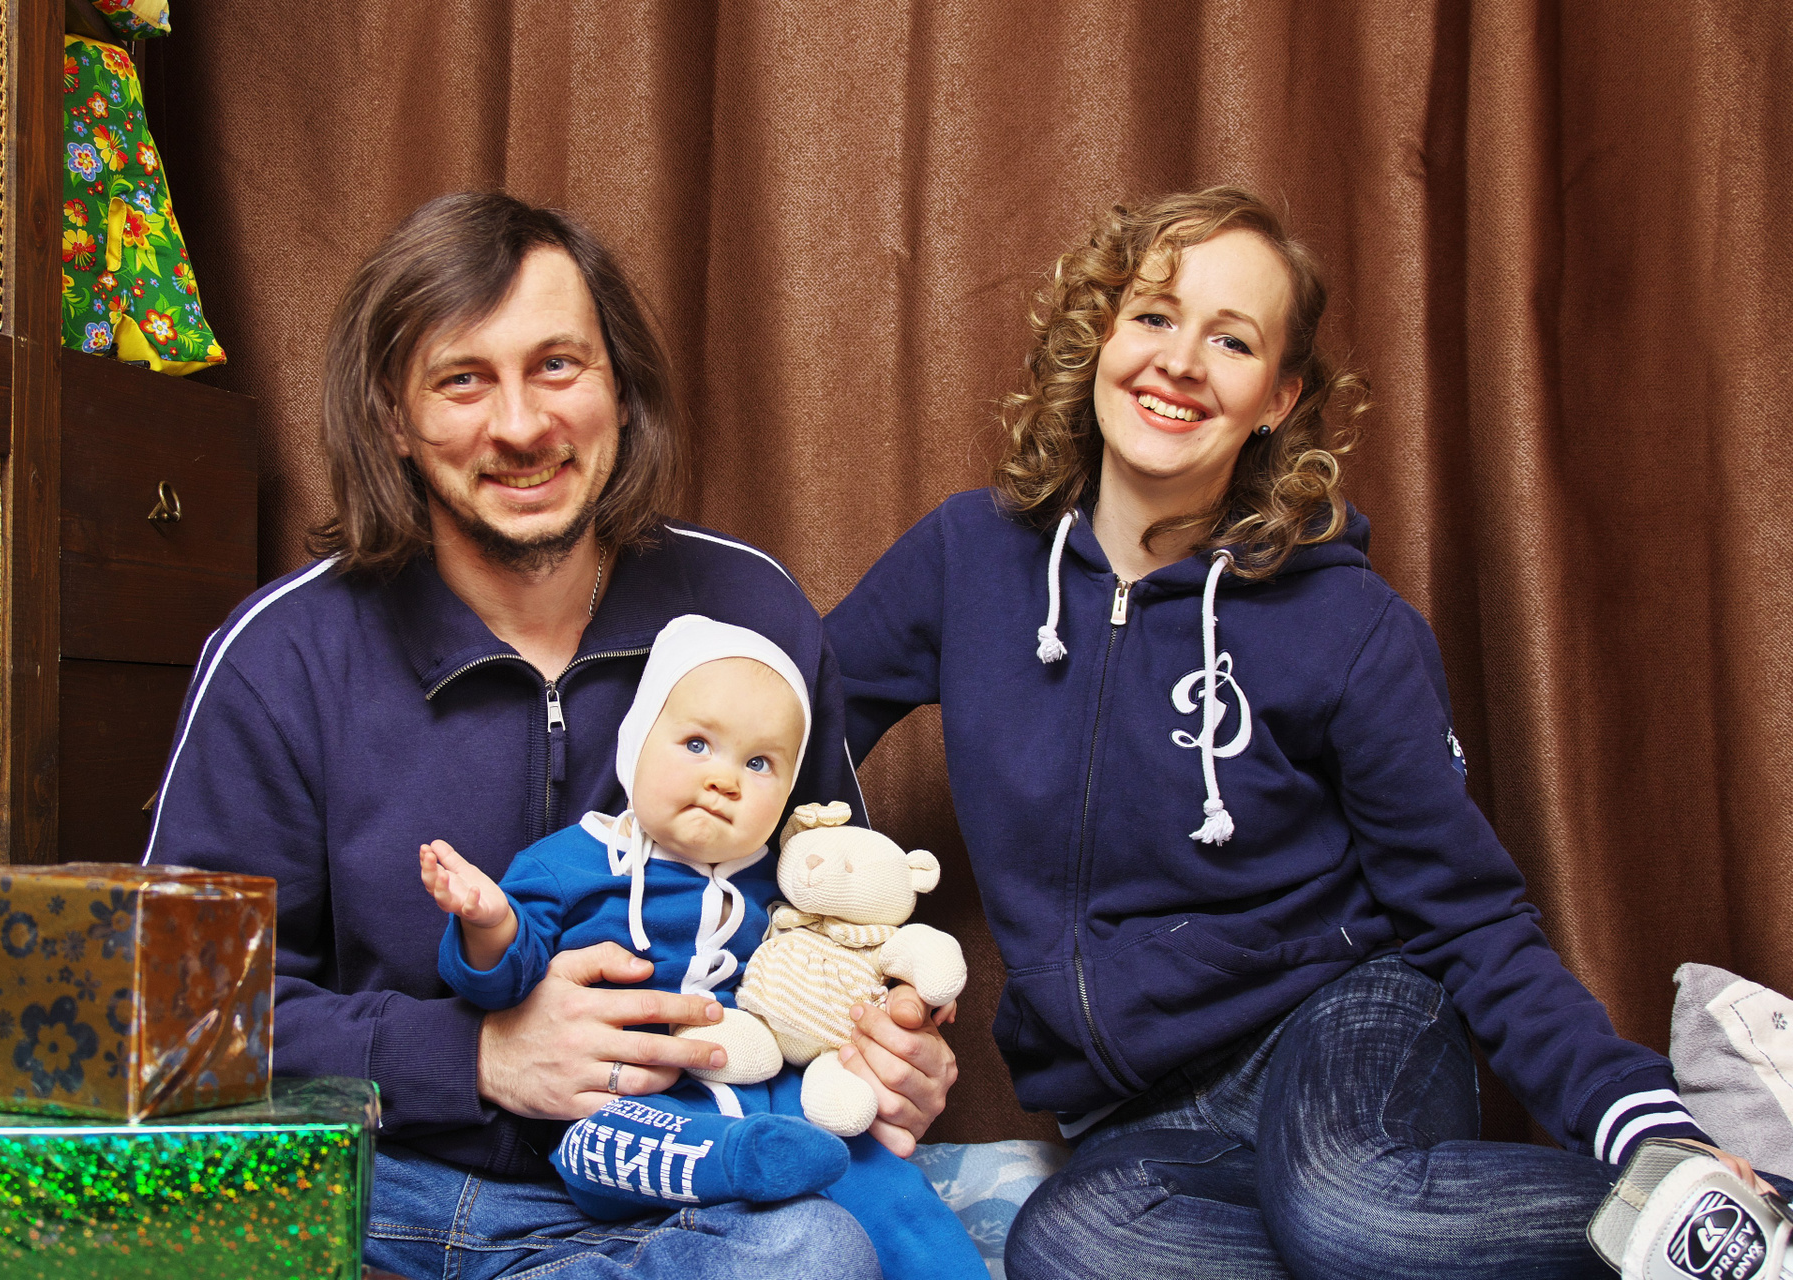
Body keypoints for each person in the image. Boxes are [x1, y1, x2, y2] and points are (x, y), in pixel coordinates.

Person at [826, 186, 1779, 1280]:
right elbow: (782, 732)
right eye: (1153, 316)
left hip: (1343, 1020)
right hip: (1143, 1105)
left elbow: (1470, 915)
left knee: (1345, 1205)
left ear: (1277, 398)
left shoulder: (1349, 626)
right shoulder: (967, 557)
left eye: (1230, 340)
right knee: (1070, 1247)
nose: (1179, 361)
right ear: (1100, 340)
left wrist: (1645, 1125)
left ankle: (1742, 1217)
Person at [143, 191, 957, 1280]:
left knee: (813, 1252)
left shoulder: (751, 613)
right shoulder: (281, 656)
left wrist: (886, 1049)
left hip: (677, 1184)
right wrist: (475, 1056)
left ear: (620, 386)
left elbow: (829, 910)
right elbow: (182, 1017)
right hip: (382, 1186)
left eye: (558, 366)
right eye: (463, 379)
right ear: (392, 415)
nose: (522, 426)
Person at [420, 614, 985, 1277]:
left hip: (765, 1088)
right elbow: (498, 985)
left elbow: (837, 956)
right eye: (696, 744)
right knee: (606, 1142)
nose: (725, 780)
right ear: (637, 743)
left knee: (882, 1179)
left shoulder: (781, 883)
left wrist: (895, 995)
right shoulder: (570, 863)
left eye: (759, 763)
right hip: (625, 1100)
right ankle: (736, 1164)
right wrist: (489, 924)